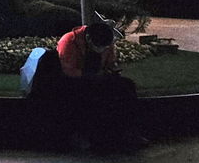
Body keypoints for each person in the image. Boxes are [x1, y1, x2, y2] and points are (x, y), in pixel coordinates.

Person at [56, 22, 145, 151]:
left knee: (127, 86)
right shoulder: (70, 41)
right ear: (88, 39)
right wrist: (89, 76)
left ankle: (129, 131)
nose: (103, 49)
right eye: (99, 46)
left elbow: (110, 62)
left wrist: (112, 70)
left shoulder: (106, 42)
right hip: (75, 80)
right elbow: (68, 70)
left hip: (98, 76)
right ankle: (80, 135)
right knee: (84, 93)